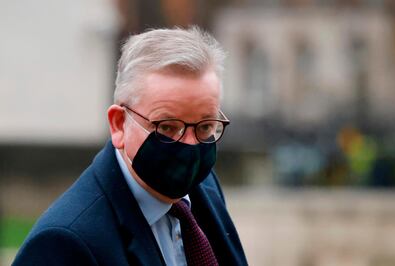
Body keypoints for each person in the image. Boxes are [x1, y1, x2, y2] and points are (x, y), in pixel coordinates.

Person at [13, 27, 247, 266]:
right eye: (167, 127)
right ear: (118, 124)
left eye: (206, 126)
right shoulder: (63, 244)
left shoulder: (204, 187)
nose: (190, 144)